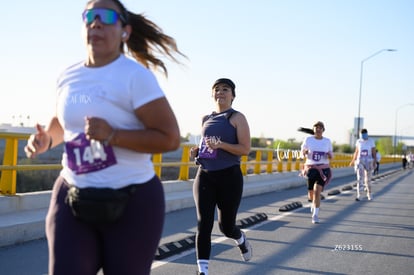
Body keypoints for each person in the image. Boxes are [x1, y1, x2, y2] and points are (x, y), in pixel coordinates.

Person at [24, 0, 185, 274]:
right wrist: (46, 140)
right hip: (72, 194)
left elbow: (169, 138)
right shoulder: (68, 76)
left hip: (132, 200)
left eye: (106, 16)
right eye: (89, 16)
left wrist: (112, 135)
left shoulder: (135, 77)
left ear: (125, 31)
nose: (96, 22)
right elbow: (63, 124)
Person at [190, 78, 252, 275]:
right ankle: (203, 271)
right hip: (205, 175)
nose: (221, 92)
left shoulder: (236, 118)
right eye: (217, 89)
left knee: (226, 227)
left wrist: (221, 145)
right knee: (203, 224)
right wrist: (196, 154)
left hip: (229, 178)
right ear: (212, 94)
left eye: (225, 89)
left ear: (232, 95)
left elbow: (245, 149)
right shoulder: (205, 119)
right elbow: (206, 147)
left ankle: (240, 238)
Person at [300, 121, 333, 224]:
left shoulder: (327, 141)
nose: (318, 129)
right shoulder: (308, 139)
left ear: (323, 130)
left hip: (323, 169)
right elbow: (302, 153)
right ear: (313, 129)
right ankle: (312, 203)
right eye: (316, 127)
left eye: (320, 127)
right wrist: (304, 152)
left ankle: (315, 215)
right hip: (311, 168)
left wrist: (329, 155)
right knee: (311, 194)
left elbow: (331, 154)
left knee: (317, 191)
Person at [349, 128, 377, 201]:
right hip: (360, 161)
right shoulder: (358, 141)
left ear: (367, 134)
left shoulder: (371, 141)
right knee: (359, 178)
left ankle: (369, 194)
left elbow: (374, 151)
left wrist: (375, 161)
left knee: (367, 180)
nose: (363, 136)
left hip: (369, 161)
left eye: (364, 134)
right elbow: (356, 151)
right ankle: (359, 195)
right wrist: (353, 160)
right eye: (361, 135)